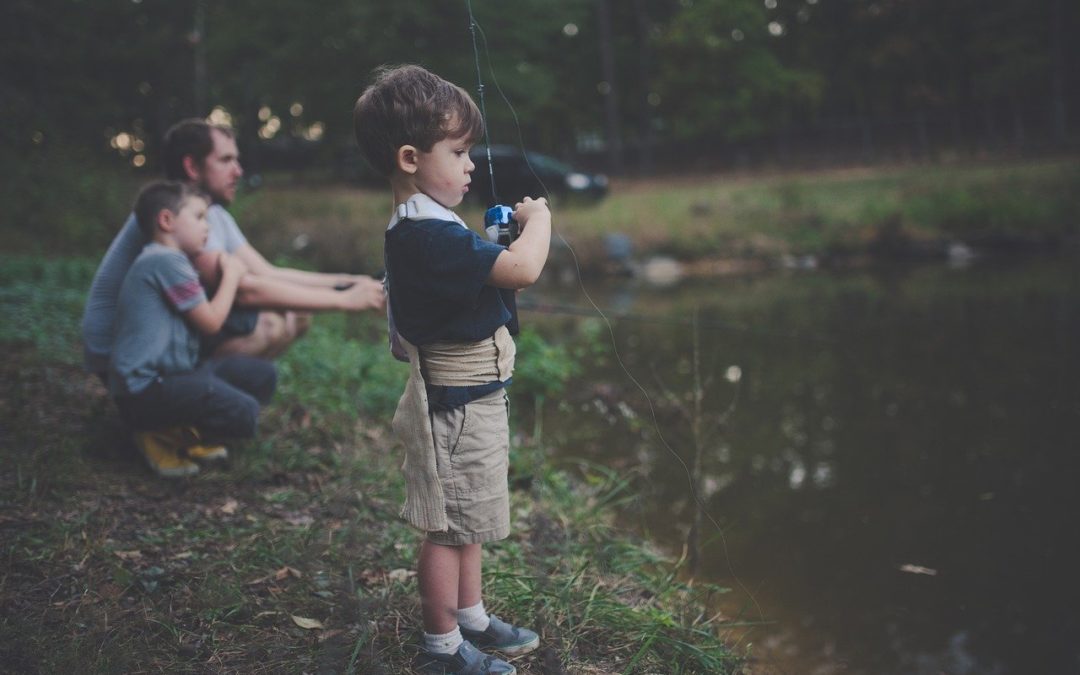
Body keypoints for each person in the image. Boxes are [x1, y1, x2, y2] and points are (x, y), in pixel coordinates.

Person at [353, 65, 551, 674]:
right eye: (459, 151)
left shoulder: (432, 226)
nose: (470, 164)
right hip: (457, 408)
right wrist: (538, 221)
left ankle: (471, 616)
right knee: (447, 527)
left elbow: (476, 280)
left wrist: (495, 238)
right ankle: (442, 648)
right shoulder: (425, 235)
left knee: (468, 520)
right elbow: (520, 271)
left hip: (475, 398)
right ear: (410, 157)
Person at [81, 118, 385, 379]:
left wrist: (350, 281)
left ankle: (215, 402)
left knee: (297, 313)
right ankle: (188, 412)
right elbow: (246, 290)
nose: (238, 171)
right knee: (270, 323)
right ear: (191, 166)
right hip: (121, 356)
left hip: (160, 338)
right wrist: (346, 301)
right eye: (225, 160)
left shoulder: (210, 214)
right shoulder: (177, 221)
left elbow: (267, 272)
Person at [109, 181, 277, 477]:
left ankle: (180, 430)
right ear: (166, 221)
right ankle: (156, 434)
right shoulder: (164, 260)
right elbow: (212, 322)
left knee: (262, 375)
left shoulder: (170, 260)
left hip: (174, 376)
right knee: (244, 412)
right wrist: (233, 275)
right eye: (199, 217)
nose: (207, 227)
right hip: (144, 391)